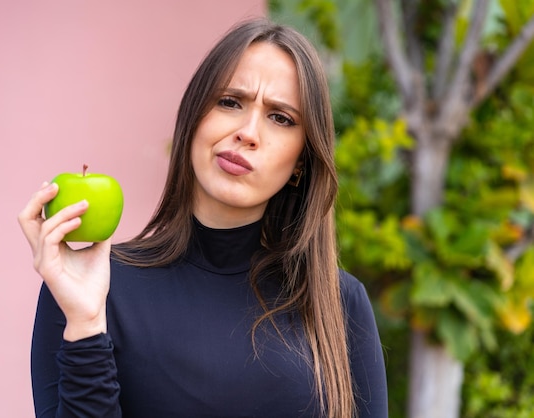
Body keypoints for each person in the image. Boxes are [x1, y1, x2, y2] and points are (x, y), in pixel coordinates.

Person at [19, 18, 388, 418]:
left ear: (301, 160)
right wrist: (87, 321)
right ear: (194, 116)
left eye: (280, 117)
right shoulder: (91, 289)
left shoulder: (338, 304)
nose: (248, 132)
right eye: (231, 101)